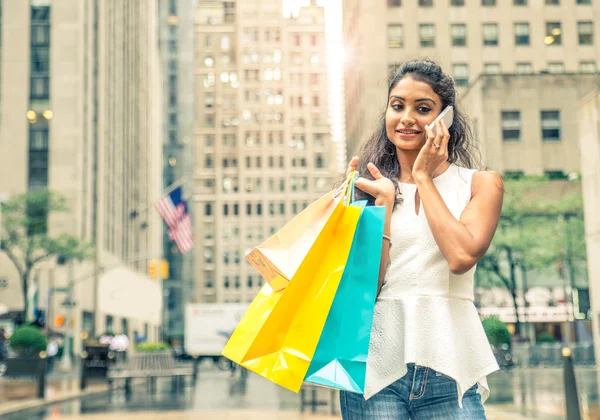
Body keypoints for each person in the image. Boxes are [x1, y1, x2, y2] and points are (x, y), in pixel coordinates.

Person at [341, 59, 504, 419]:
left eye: (423, 108)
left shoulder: (480, 183)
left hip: (450, 368)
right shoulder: (368, 189)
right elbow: (367, 285)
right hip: (374, 366)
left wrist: (424, 178)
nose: (407, 118)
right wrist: (381, 206)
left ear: (445, 119)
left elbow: (461, 255)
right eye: (397, 106)